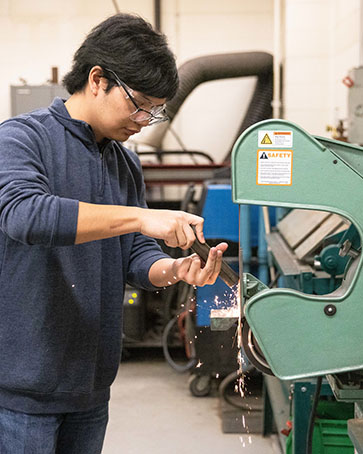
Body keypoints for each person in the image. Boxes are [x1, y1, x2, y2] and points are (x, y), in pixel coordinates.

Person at [0, 12, 228, 454]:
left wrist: (173, 268)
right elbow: (25, 215)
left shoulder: (125, 162)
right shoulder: (20, 140)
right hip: (22, 394)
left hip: (91, 387)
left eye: (155, 110)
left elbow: (134, 255)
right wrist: (141, 217)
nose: (145, 119)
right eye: (139, 103)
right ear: (98, 79)